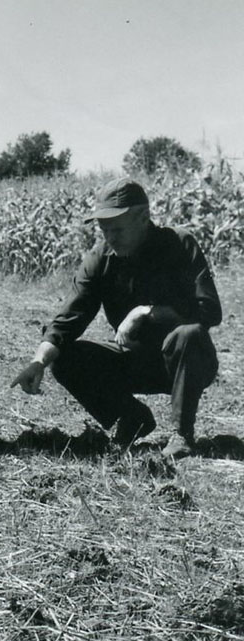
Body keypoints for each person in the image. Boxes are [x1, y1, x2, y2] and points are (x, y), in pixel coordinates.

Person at [12, 177, 222, 458]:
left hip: (186, 362)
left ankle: (182, 434)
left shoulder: (179, 244)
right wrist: (37, 362)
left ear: (144, 217)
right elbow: (69, 319)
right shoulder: (101, 258)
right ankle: (132, 418)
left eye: (117, 229)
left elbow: (209, 309)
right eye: (103, 229)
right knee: (63, 357)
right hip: (133, 361)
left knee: (188, 334)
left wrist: (145, 312)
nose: (110, 237)